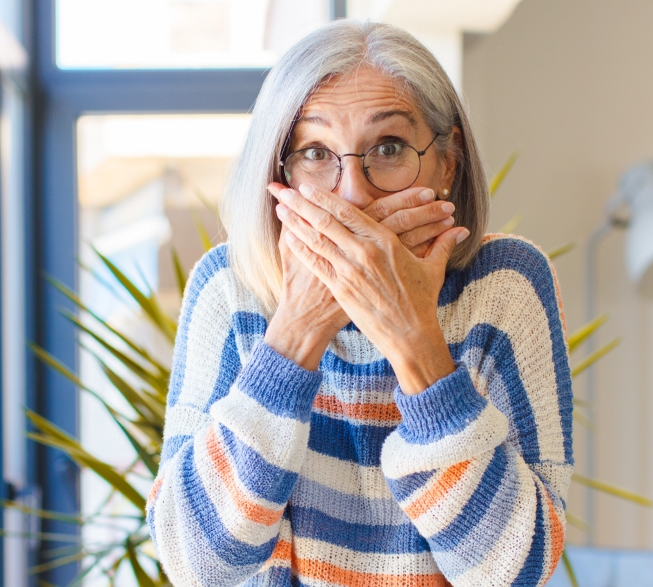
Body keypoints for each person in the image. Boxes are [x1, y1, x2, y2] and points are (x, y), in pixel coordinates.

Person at [146, 20, 571, 587]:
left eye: (389, 148)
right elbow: (197, 566)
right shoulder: (229, 287)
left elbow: (514, 570)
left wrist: (411, 336)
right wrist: (299, 328)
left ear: (449, 161)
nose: (353, 193)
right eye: (316, 152)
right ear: (279, 172)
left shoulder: (505, 286)